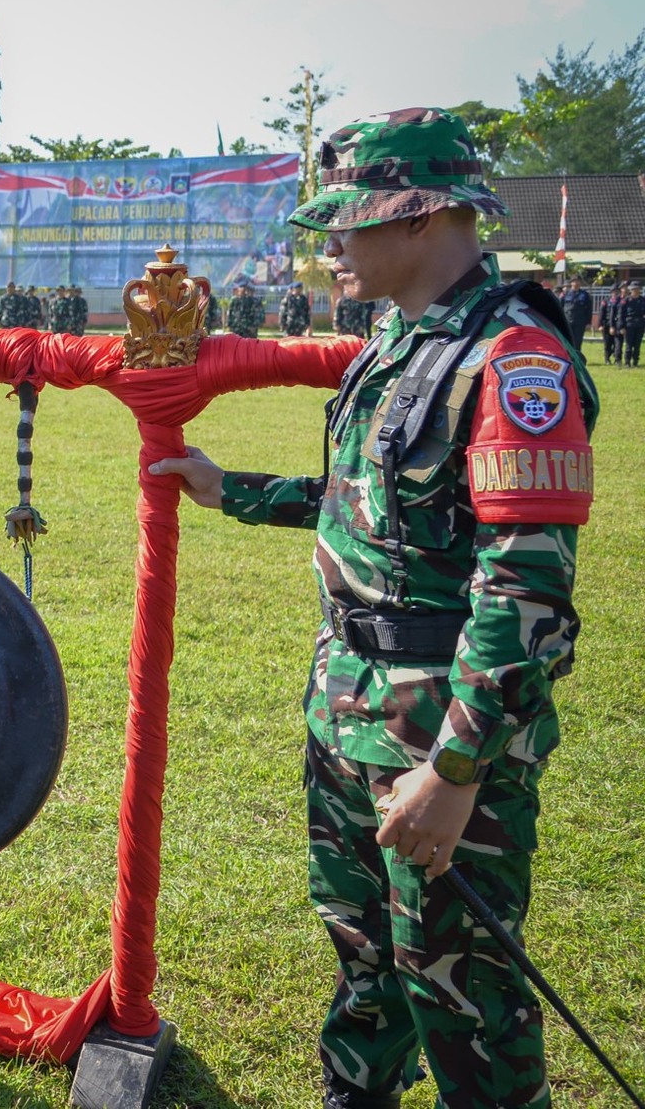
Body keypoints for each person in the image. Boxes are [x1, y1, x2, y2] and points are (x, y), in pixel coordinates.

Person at [154, 108, 594, 1109]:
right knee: (368, 971)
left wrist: (454, 771)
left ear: (421, 217)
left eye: (348, 224)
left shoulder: (512, 361)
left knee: (465, 1001)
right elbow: (372, 504)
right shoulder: (400, 341)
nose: (330, 249)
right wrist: (236, 492)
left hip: (441, 740)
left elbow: (523, 591)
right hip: (347, 714)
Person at [558, 279, 592, 347]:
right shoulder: (565, 294)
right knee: (567, 340)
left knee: (578, 341)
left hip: (580, 322)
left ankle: (576, 353)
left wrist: (588, 322)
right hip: (567, 321)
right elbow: (560, 308)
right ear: (571, 283)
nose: (576, 283)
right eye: (574, 281)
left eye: (578, 281)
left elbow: (589, 310)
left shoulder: (585, 295)